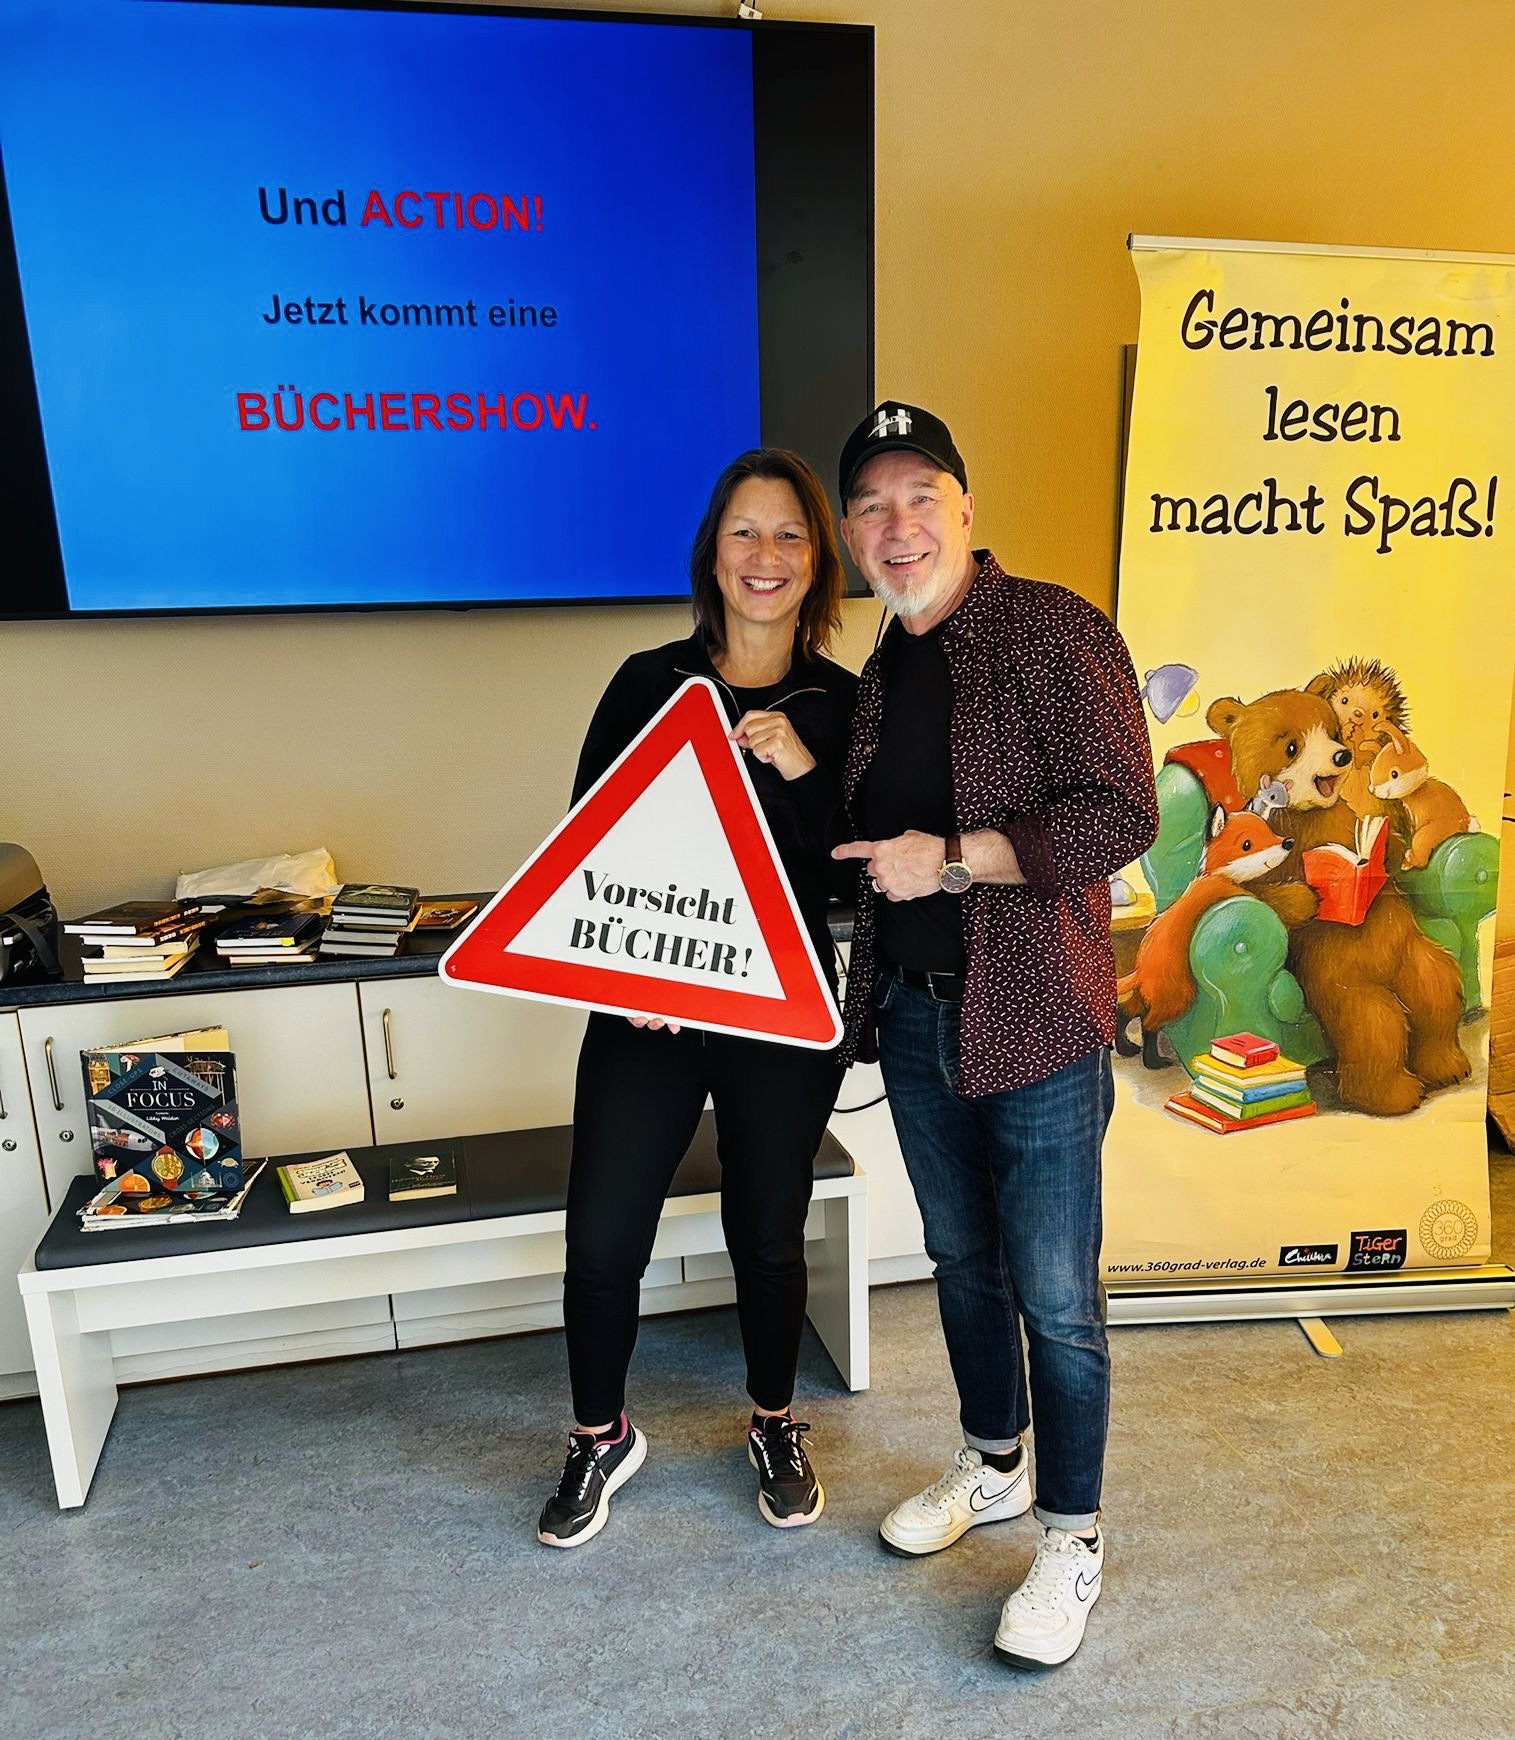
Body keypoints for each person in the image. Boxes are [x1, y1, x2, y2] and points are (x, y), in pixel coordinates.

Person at [830, 403, 1159, 1667]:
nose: (899, 525)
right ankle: (993, 1463)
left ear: (966, 508)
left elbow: (1122, 812)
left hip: (1039, 1023)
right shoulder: (885, 665)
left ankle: (1073, 1535)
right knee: (963, 1264)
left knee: (1058, 1297)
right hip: (917, 1018)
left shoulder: (1055, 629)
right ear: (852, 535)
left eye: (922, 496)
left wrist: (956, 860)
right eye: (873, 505)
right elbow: (872, 839)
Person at [537, 449, 857, 1548]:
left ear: (817, 563)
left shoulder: (846, 706)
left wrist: (804, 770)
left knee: (767, 1234)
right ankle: (599, 1435)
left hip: (781, 1013)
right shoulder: (648, 684)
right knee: (601, 1238)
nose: (765, 556)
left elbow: (859, 873)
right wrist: (628, 978)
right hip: (649, 1012)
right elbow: (588, 850)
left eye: (789, 535)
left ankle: (773, 1421)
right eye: (743, 533)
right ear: (711, 555)